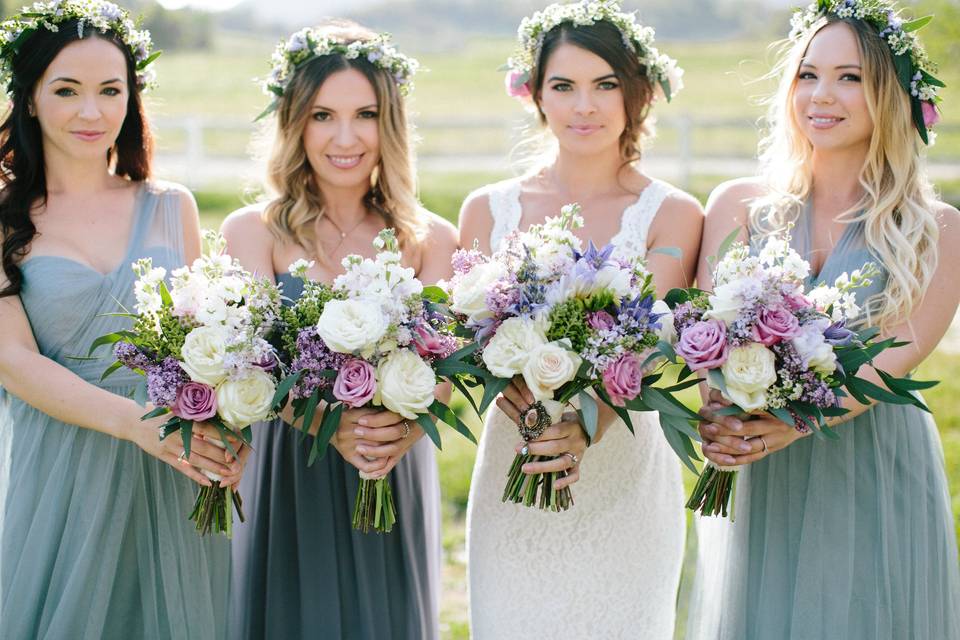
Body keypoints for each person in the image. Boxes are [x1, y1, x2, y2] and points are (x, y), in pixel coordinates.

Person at [687, 2, 960, 638]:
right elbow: (707, 339)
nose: (822, 95)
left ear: (889, 95)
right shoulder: (737, 207)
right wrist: (723, 416)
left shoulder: (936, 229)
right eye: (808, 75)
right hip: (760, 462)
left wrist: (795, 421)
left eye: (850, 77)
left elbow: (898, 357)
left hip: (871, 462)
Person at [458, 2, 703, 637]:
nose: (583, 106)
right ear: (535, 94)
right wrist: (532, 410)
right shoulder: (487, 209)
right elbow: (472, 343)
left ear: (637, 93)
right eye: (563, 86)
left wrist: (583, 428)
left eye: (605, 85)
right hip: (516, 459)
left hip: (624, 472)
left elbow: (649, 349)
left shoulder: (672, 213)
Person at [0, 2, 240, 638]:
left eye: (111, 90)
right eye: (67, 90)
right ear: (28, 99)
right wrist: (137, 426)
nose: (92, 111)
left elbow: (205, 342)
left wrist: (224, 423)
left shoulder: (171, 206)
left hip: (174, 468)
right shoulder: (3, 218)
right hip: (65, 462)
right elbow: (13, 362)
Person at [222, 20, 457, 640]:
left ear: (391, 123)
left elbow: (448, 371)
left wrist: (399, 428)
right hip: (288, 462)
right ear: (295, 122)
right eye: (324, 115)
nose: (345, 137)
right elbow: (247, 362)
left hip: (388, 464)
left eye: (366, 114)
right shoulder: (254, 232)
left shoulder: (430, 238)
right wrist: (331, 426)